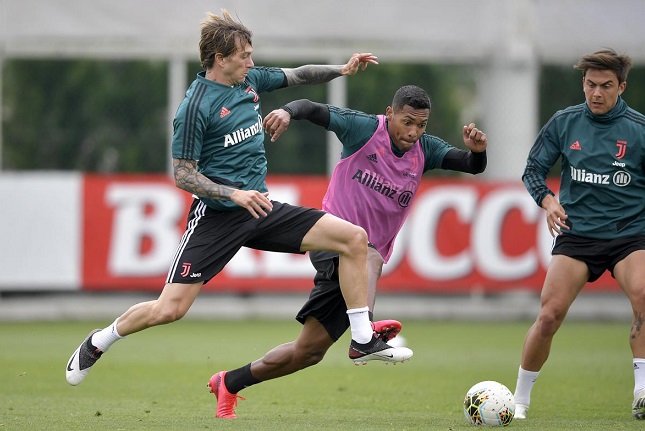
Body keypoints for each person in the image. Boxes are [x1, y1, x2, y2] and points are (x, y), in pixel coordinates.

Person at [65, 9, 413, 390]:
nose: (251, 61)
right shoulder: (195, 106)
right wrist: (233, 193)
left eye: (251, 54)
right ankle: (100, 340)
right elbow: (182, 174)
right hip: (218, 218)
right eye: (244, 55)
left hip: (259, 208)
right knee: (170, 309)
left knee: (353, 239)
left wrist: (342, 69)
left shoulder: (249, 81)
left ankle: (362, 339)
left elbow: (298, 74)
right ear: (220, 58)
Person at [207, 84, 489, 418]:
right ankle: (364, 335)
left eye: (421, 125)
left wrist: (478, 151)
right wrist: (287, 111)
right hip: (330, 240)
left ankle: (228, 382)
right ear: (390, 113)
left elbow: (471, 166)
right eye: (407, 122)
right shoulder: (365, 129)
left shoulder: (425, 150)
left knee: (308, 352)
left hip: (358, 269)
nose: (413, 132)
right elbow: (312, 107)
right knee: (363, 248)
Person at [513, 48, 645, 420]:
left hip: (629, 232)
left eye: (606, 86)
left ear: (622, 86)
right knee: (550, 314)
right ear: (582, 83)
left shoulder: (639, 130)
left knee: (644, 297)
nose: (596, 93)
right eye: (590, 85)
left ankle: (641, 392)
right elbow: (532, 169)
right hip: (578, 233)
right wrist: (548, 200)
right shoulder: (564, 122)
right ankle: (519, 400)